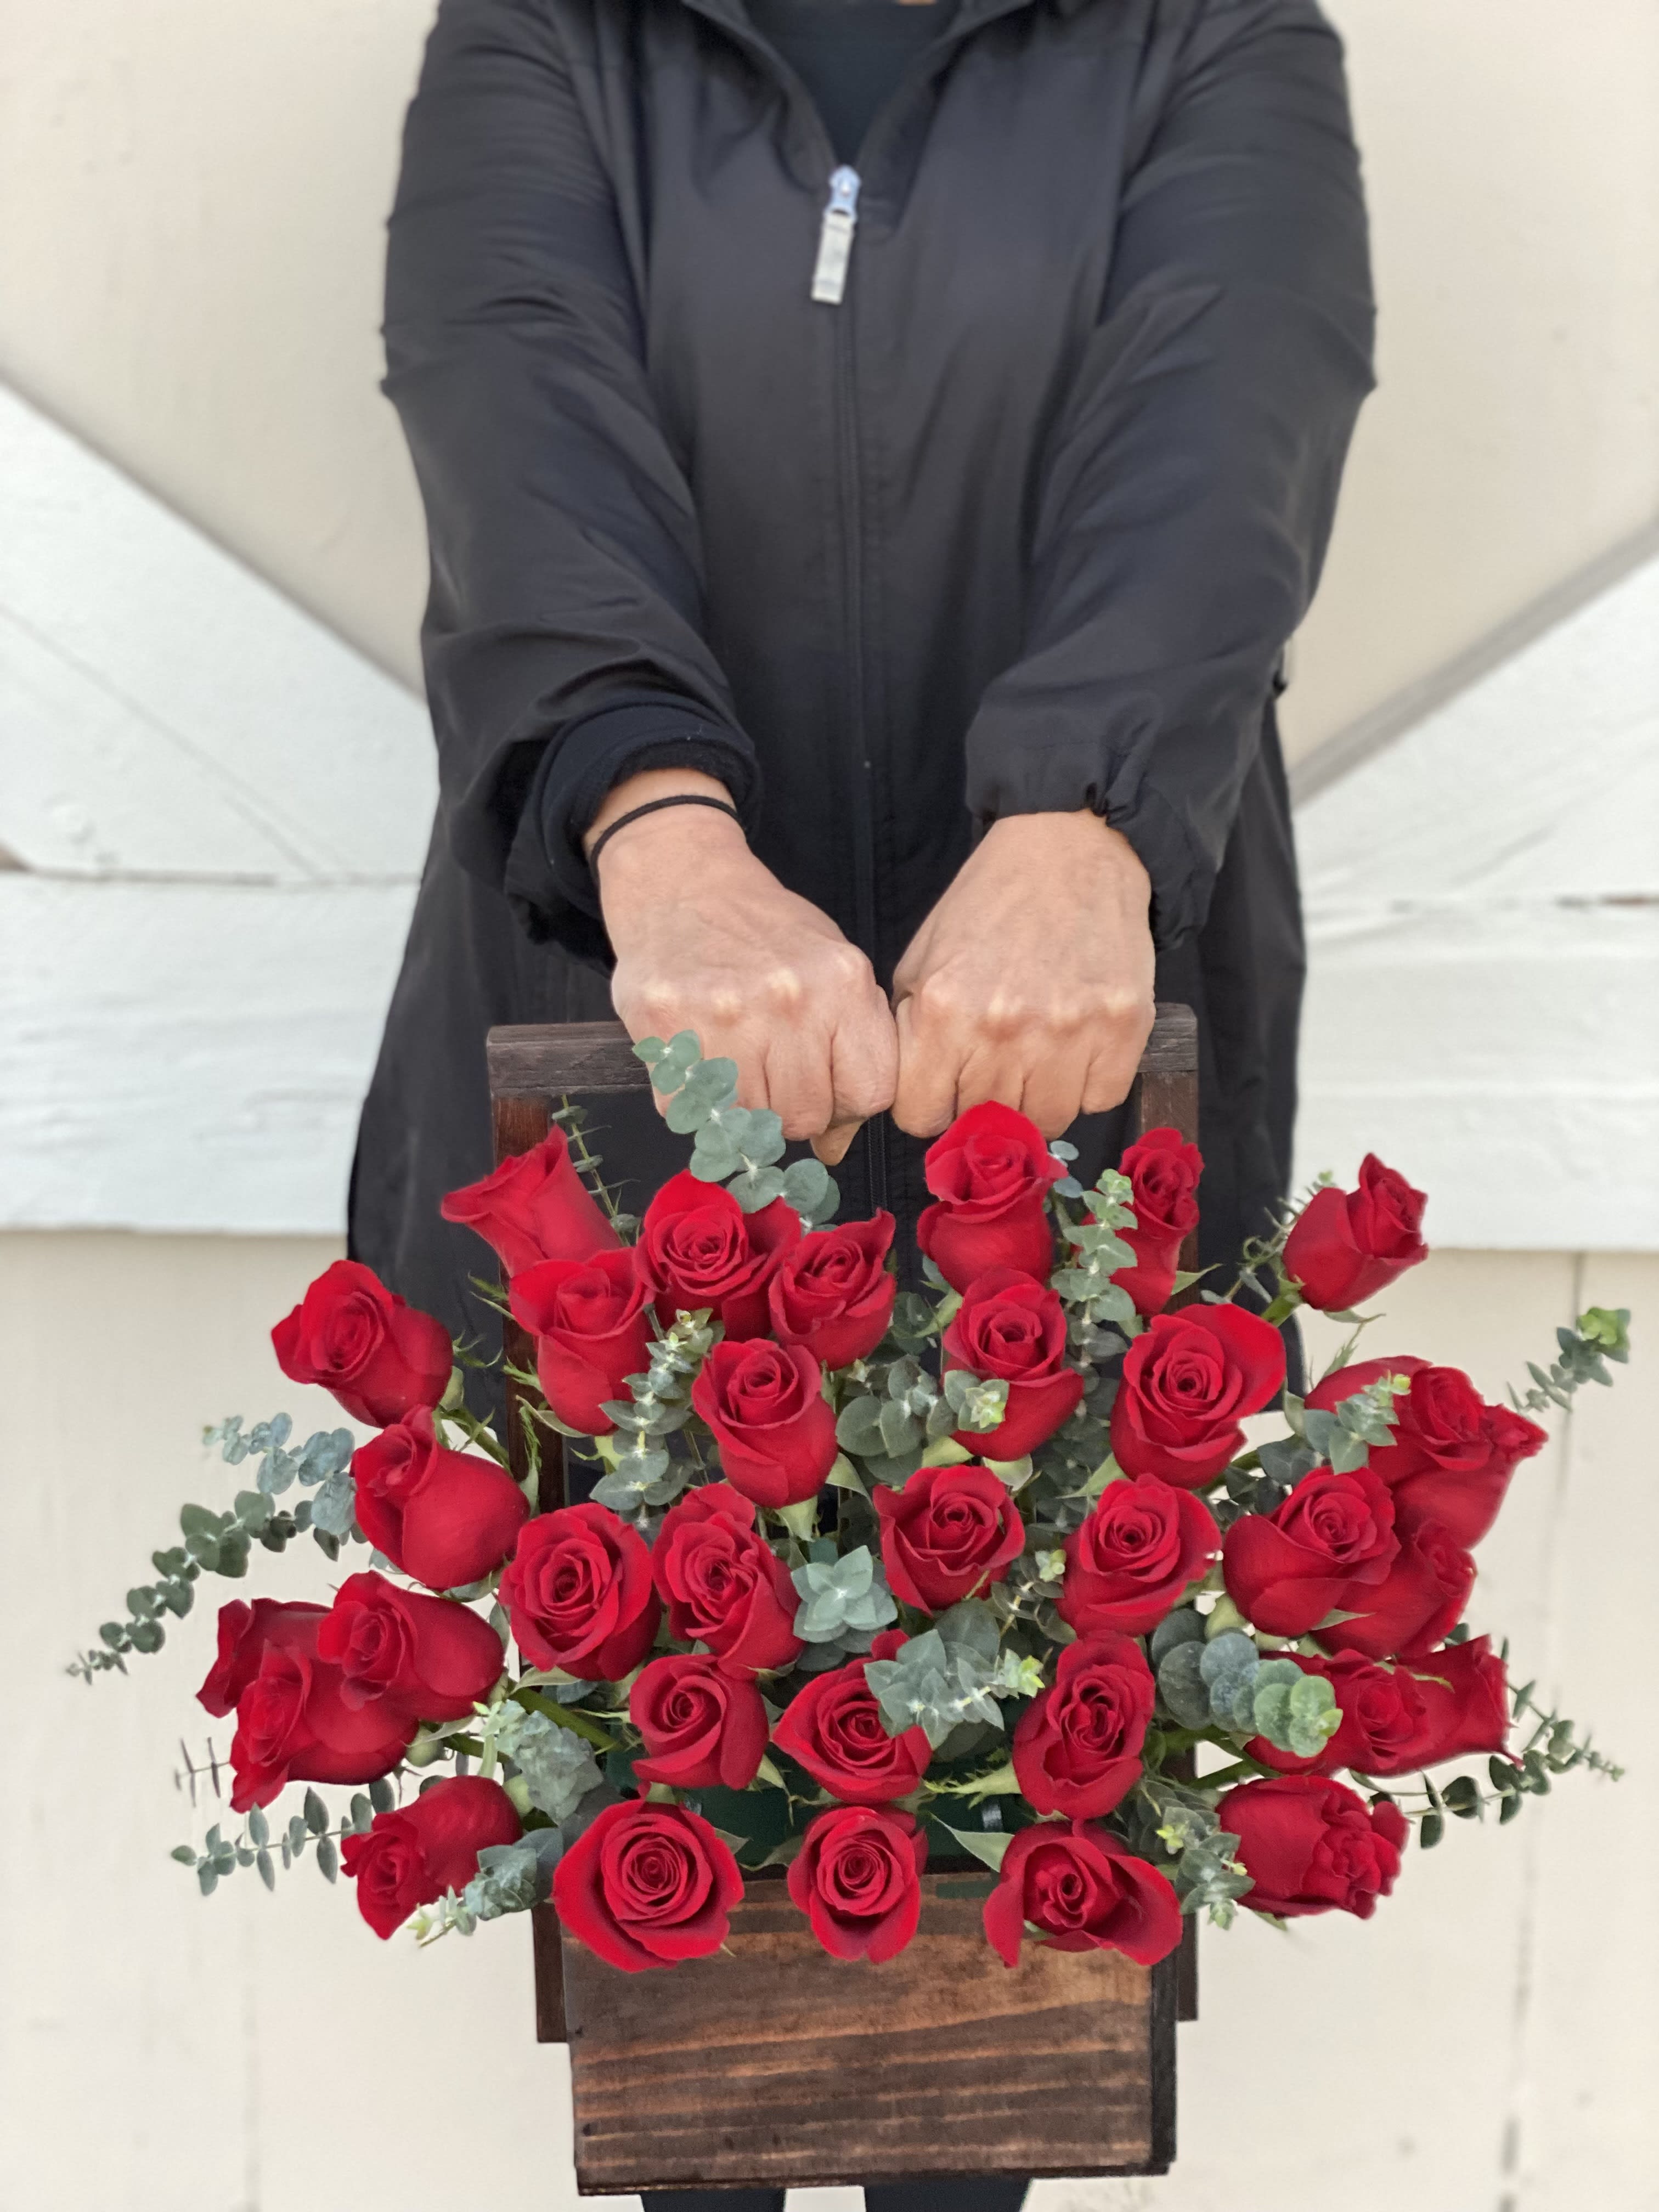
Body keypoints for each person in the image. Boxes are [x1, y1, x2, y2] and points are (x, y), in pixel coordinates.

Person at [353, 2, 1370, 2202]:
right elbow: (514, 415)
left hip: (1066, 1087)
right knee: (688, 1995)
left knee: (994, 2008)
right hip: (628, 1063)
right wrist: (662, 830)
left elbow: (1232, 417)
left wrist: (1086, 815)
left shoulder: (1214, 32)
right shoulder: (545, 33)